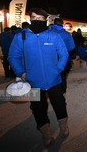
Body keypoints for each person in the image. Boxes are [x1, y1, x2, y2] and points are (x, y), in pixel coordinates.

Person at [8, 8, 69, 147]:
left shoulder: (53, 35)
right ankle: (46, 133)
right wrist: (21, 72)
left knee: (60, 104)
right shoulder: (21, 37)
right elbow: (13, 56)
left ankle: (64, 126)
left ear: (45, 20)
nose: (37, 20)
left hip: (54, 80)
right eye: (34, 17)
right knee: (38, 108)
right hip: (33, 81)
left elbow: (64, 54)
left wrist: (58, 69)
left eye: (41, 19)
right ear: (30, 19)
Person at [50, 17, 76, 94]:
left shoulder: (48, 32)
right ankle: (62, 89)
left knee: (51, 73)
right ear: (62, 24)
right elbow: (72, 47)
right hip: (63, 57)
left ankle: (53, 90)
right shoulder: (67, 34)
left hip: (50, 57)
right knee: (63, 74)